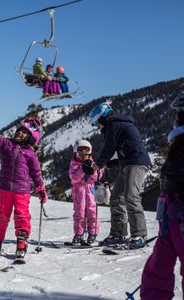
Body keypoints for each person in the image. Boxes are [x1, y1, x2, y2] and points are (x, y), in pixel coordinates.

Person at [0, 111, 48, 260]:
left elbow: (36, 173)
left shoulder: (30, 154)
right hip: (5, 189)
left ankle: (22, 242)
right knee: (1, 215)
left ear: (31, 138)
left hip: (22, 191)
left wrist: (40, 188)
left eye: (24, 133)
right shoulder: (7, 144)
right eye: (19, 130)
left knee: (22, 216)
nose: (20, 133)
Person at [89, 102, 152, 248]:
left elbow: (109, 148)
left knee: (131, 196)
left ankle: (140, 235)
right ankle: (118, 234)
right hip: (128, 163)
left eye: (97, 123)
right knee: (116, 198)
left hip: (136, 163)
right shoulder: (117, 126)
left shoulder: (114, 125)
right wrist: (107, 164)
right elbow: (123, 156)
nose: (97, 127)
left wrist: (99, 163)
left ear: (102, 118)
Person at [140, 92, 184, 300]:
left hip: (176, 209)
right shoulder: (177, 144)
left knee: (160, 264)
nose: (176, 119)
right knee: (159, 263)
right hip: (169, 210)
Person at [69, 139, 101, 245]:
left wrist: (92, 170)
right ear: (76, 151)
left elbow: (98, 176)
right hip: (79, 192)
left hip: (90, 192)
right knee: (79, 213)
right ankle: (79, 234)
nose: (83, 153)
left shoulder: (93, 164)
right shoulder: (74, 165)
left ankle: (92, 234)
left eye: (86, 150)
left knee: (93, 213)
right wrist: (82, 169)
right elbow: (74, 179)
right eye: (80, 150)